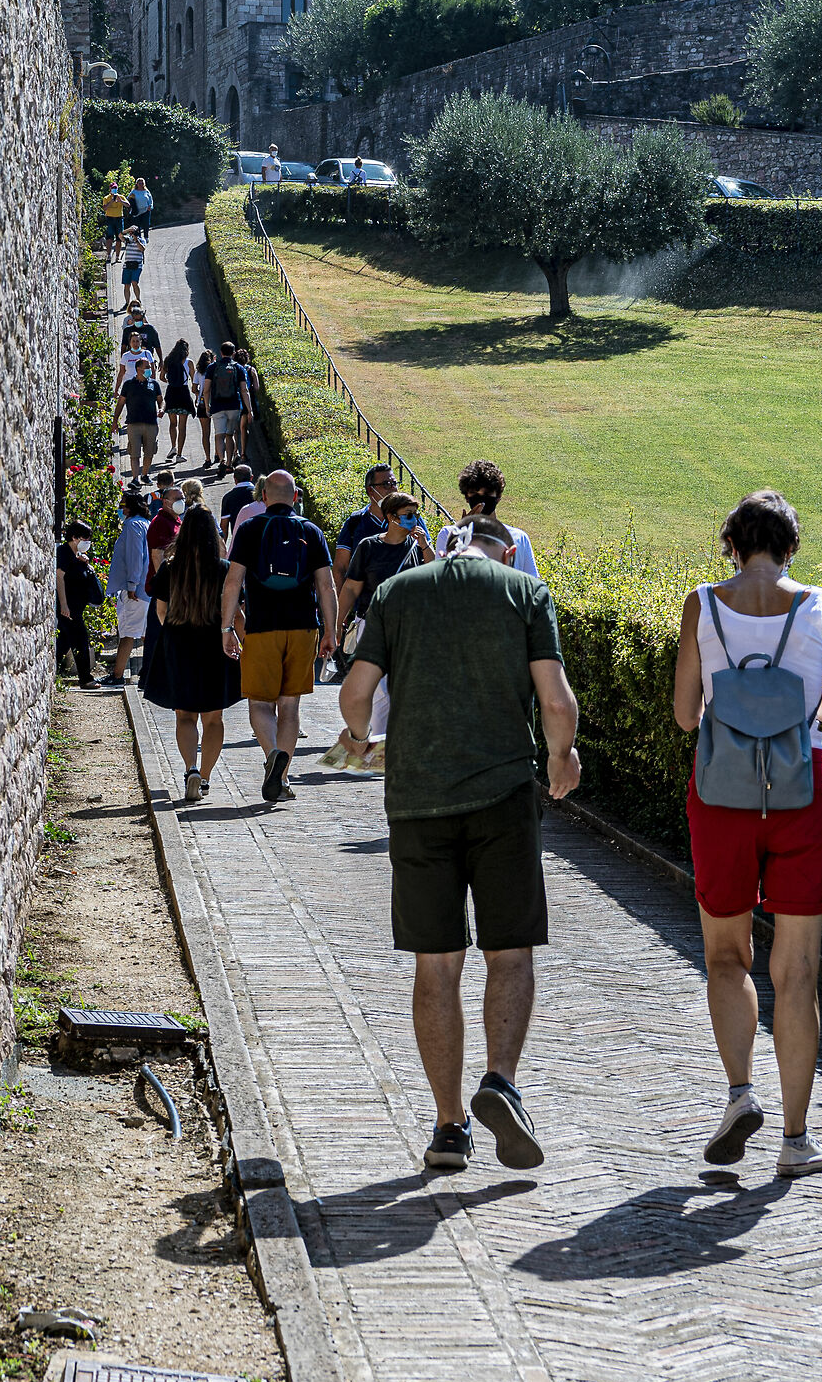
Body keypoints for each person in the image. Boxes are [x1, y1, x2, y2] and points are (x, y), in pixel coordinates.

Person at [339, 515, 581, 1175]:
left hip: (417, 800)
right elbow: (556, 702)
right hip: (502, 796)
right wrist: (561, 755)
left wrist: (360, 741)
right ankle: (500, 1081)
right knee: (510, 952)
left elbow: (356, 693)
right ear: (507, 550)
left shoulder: (399, 592)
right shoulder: (522, 591)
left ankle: (449, 1128)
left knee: (436, 964)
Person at [672, 489, 822, 1179]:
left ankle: (739, 1094)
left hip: (722, 795)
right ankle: (795, 1140)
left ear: (731, 545)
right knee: (798, 971)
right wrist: (800, 704)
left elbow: (686, 715)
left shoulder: (702, 603)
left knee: (727, 956)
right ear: (791, 546)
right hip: (800, 793)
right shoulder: (821, 606)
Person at [221, 470, 336, 803]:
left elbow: (233, 582)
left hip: (260, 627)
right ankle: (282, 779)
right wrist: (331, 630)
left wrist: (227, 628)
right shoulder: (311, 531)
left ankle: (273, 754)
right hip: (303, 627)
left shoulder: (249, 529)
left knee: (260, 703)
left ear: (264, 497)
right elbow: (326, 586)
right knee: (289, 705)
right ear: (296, 497)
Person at [324, 491, 435, 769]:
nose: (413, 520)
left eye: (415, 515)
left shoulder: (417, 548)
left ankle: (377, 753)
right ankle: (374, 753)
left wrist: (424, 546)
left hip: (408, 630)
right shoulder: (369, 547)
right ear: (391, 517)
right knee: (379, 691)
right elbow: (351, 588)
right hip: (372, 627)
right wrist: (337, 623)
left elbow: (436, 576)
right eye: (407, 515)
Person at [144, 506, 243, 804]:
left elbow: (161, 611)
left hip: (179, 644)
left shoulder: (171, 568)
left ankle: (191, 769)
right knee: (214, 719)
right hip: (215, 644)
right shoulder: (224, 569)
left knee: (184, 715)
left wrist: (174, 634)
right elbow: (236, 612)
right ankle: (207, 778)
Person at [435, 460, 538, 578]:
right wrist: (461, 537)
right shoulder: (448, 535)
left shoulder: (519, 538)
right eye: (474, 493)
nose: (481, 498)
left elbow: (532, 582)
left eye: (487, 493)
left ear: (498, 497)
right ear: (466, 497)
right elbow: (441, 580)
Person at [103, 485, 153, 683]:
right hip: (147, 589)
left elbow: (134, 557)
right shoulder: (146, 523)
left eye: (123, 505)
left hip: (135, 589)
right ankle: (150, 674)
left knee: (127, 633)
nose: (121, 509)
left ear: (130, 507)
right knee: (146, 634)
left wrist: (132, 585)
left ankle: (117, 675)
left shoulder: (132, 525)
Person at [55, 517, 102, 688]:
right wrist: (64, 604)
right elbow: (59, 578)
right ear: (75, 537)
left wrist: (85, 563)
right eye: (85, 538)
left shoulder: (76, 555)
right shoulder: (64, 552)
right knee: (81, 640)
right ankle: (86, 679)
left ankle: (54, 671)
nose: (87, 542)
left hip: (75, 607)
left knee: (64, 642)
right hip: (69, 607)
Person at [335, 464, 400, 583]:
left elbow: (427, 556)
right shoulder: (355, 522)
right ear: (371, 490)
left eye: (394, 483)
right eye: (386, 484)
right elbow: (340, 568)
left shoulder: (410, 518)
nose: (393, 489)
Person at [207, 341, 253, 474]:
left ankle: (221, 460)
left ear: (221, 352)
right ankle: (228, 463)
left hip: (217, 405)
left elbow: (206, 389)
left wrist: (207, 406)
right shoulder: (239, 368)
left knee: (219, 435)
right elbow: (244, 390)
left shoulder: (212, 367)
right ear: (233, 353)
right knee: (230, 434)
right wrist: (249, 410)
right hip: (234, 406)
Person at [113, 354, 160, 479]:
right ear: (139, 368)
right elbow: (121, 403)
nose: (150, 369)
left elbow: (161, 400)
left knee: (149, 453)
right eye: (147, 367)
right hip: (133, 424)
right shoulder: (128, 385)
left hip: (151, 424)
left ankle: (144, 474)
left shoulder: (154, 384)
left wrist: (162, 408)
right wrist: (115, 421)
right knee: (134, 454)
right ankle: (135, 479)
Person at [162, 340, 195, 463]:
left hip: (171, 393)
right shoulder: (189, 362)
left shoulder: (168, 360)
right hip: (183, 394)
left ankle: (173, 447)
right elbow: (194, 380)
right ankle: (179, 454)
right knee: (182, 426)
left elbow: (161, 377)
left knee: (172, 423)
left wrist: (171, 382)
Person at [147, 478, 184, 588]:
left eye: (182, 498)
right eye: (177, 499)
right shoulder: (160, 523)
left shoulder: (175, 519)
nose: (181, 502)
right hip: (166, 585)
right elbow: (157, 556)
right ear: (165, 502)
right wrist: (164, 585)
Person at [220, 463, 258, 537]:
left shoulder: (228, 497)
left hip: (239, 539)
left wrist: (222, 543)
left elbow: (224, 526)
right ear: (251, 477)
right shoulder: (261, 495)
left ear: (235, 479)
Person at [119, 229, 147, 313]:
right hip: (127, 265)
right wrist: (127, 230)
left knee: (134, 282)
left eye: (133, 233)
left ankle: (138, 300)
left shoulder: (141, 240)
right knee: (126, 285)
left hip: (137, 265)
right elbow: (120, 236)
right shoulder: (128, 240)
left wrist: (136, 240)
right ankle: (127, 303)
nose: (131, 234)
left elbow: (142, 249)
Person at [101, 177, 127, 259]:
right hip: (110, 219)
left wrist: (121, 201)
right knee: (109, 238)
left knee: (119, 238)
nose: (114, 189)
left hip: (119, 219)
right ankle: (109, 255)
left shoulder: (121, 197)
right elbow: (104, 208)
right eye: (113, 188)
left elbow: (128, 205)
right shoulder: (106, 198)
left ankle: (117, 256)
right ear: (110, 189)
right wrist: (111, 201)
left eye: (115, 188)